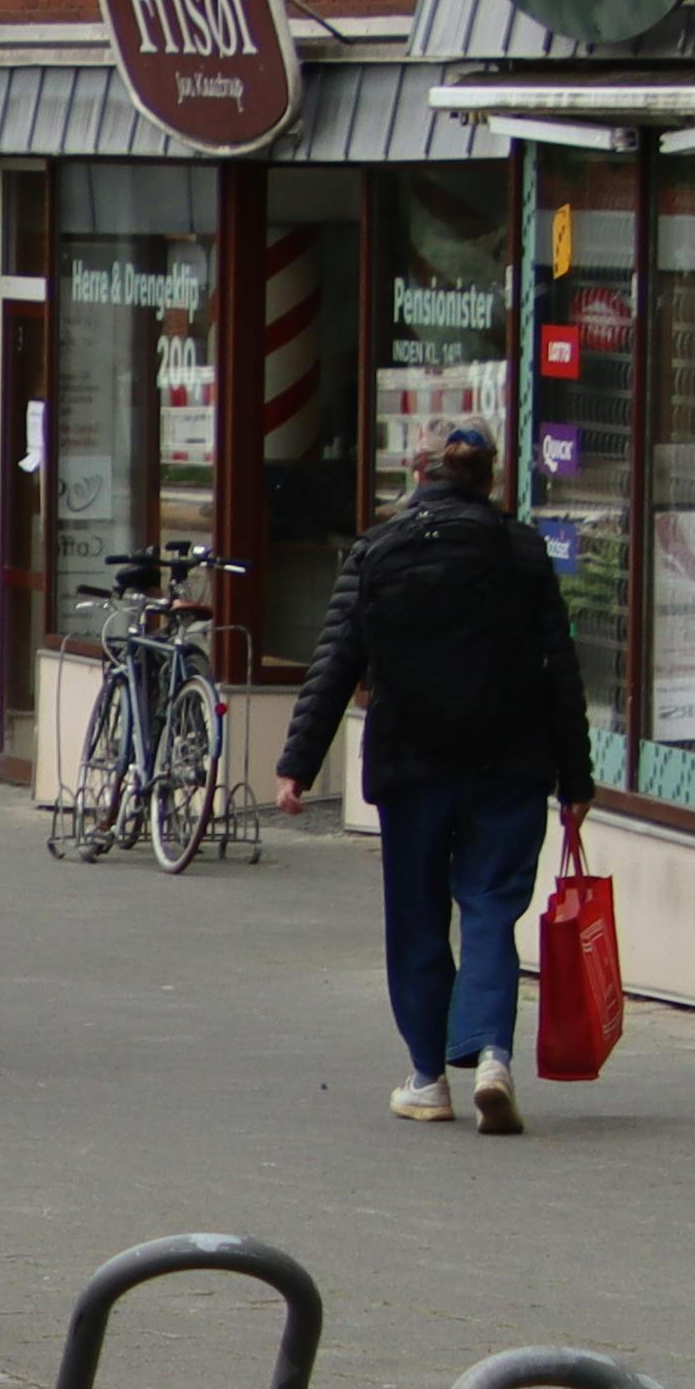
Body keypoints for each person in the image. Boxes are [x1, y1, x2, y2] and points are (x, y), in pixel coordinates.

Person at [273, 417, 599, 1130]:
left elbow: (337, 660)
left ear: (421, 474)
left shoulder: (376, 550)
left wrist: (297, 765)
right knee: (490, 906)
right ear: (491, 480)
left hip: (411, 763)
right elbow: (558, 668)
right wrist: (576, 781)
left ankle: (427, 1079)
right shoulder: (520, 550)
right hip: (509, 763)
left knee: (417, 916)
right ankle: (491, 1057)